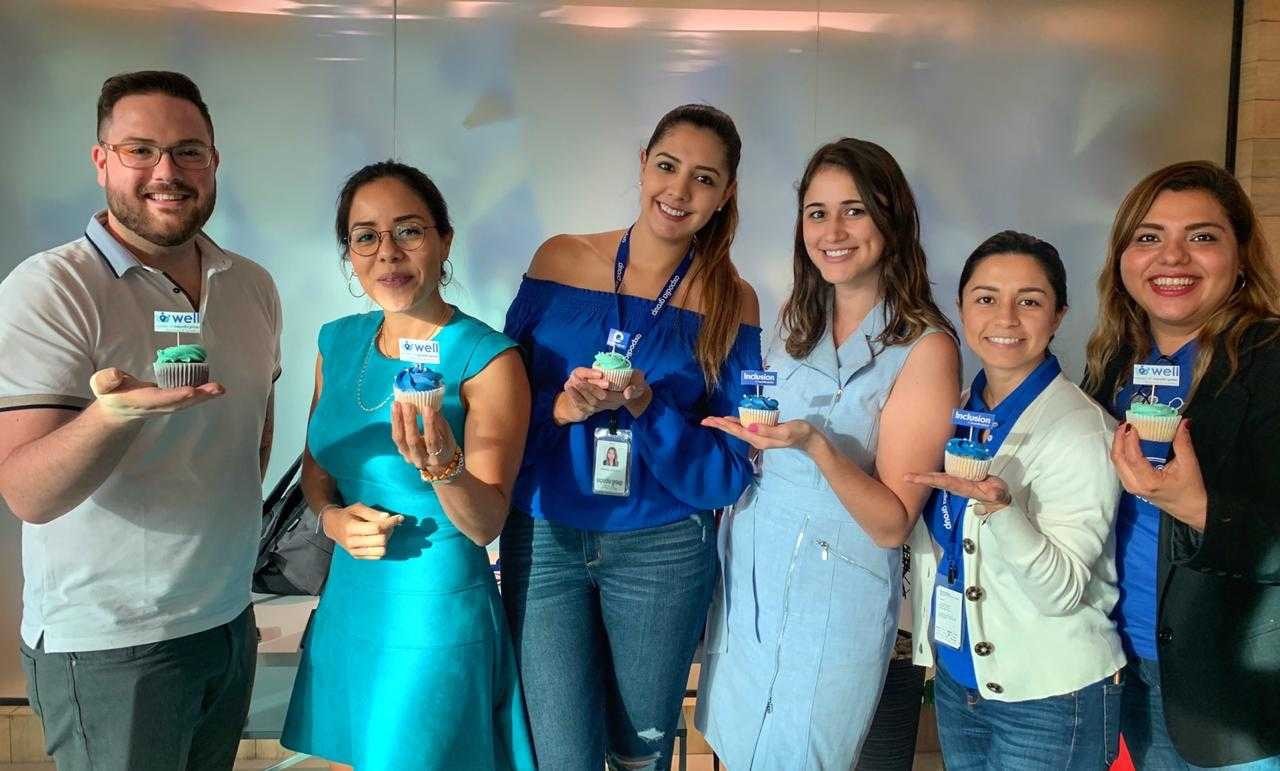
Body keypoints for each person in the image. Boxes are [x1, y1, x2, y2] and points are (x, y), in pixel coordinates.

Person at [0, 70, 280, 771]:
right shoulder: (52, 289)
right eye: (140, 150)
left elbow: (254, 431)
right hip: (111, 645)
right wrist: (113, 416)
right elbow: (27, 492)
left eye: (189, 151)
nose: (167, 171)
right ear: (102, 160)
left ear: (214, 161)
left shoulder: (249, 283)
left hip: (225, 622)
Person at [501, 103, 760, 770]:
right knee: (560, 756)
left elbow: (731, 467)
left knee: (637, 754)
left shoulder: (733, 302)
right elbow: (497, 406)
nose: (678, 192)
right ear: (643, 163)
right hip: (547, 537)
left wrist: (649, 406)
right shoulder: (560, 260)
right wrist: (558, 410)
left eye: (704, 179)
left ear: (726, 193)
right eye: (668, 167)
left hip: (664, 548)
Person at [694, 137, 960, 768]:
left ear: (891, 218)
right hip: (750, 579)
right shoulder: (794, 324)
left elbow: (891, 523)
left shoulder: (924, 348)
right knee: (737, 743)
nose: (832, 231)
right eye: (817, 213)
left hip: (835, 600)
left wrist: (816, 446)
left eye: (855, 211)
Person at [279, 161, 535, 770]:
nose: (386, 252)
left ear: (444, 239)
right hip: (353, 597)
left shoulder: (488, 360)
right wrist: (332, 520)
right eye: (365, 236)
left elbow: (485, 524)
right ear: (350, 253)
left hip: (436, 603)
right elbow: (318, 468)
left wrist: (443, 466)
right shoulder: (334, 343)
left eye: (409, 231)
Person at [1083, 161, 1280, 770]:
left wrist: (1197, 508)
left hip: (1229, 696)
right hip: (1122, 674)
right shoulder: (1114, 368)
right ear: (1122, 259)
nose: (1172, 258)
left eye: (1201, 237)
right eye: (1148, 237)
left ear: (1240, 256)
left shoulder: (1271, 365)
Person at [906, 230, 1124, 770]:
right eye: (985, 298)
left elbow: (1064, 592)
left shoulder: (1080, 430)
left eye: (1029, 301)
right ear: (960, 307)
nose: (1005, 319)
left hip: (1052, 698)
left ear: (1058, 315)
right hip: (964, 683)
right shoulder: (960, 411)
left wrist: (1002, 511)